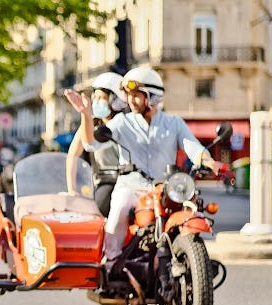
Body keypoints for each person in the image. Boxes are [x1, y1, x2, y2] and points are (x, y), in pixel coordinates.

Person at [68, 66, 215, 272]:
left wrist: (208, 161)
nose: (130, 101)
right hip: (131, 187)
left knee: (190, 210)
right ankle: (111, 263)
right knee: (117, 212)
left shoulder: (173, 123)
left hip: (164, 189)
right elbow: (91, 144)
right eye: (129, 96)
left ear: (153, 97)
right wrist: (85, 114)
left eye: (136, 96)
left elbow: (192, 146)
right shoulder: (122, 122)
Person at [64, 72, 127, 215]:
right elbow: (73, 155)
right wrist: (72, 190)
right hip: (105, 182)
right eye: (95, 97)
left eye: (102, 98)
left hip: (128, 181)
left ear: (115, 100)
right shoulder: (90, 123)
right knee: (100, 206)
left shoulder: (125, 123)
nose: (97, 101)